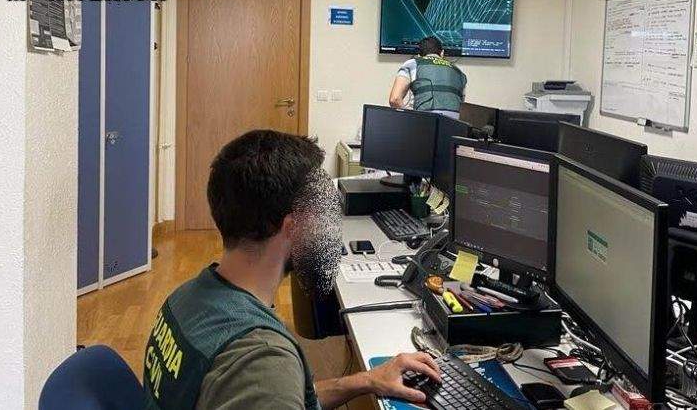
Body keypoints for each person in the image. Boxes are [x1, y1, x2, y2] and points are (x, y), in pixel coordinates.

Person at [142, 130, 440, 409]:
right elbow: (268, 387)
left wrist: (366, 380)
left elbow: (276, 394)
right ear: (293, 227)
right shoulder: (262, 360)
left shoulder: (186, 298)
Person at [389, 36, 467, 119]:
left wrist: (409, 118)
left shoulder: (413, 63)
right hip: (455, 121)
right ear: (442, 53)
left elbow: (394, 99)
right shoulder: (459, 72)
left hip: (426, 119)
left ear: (419, 55)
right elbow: (461, 104)